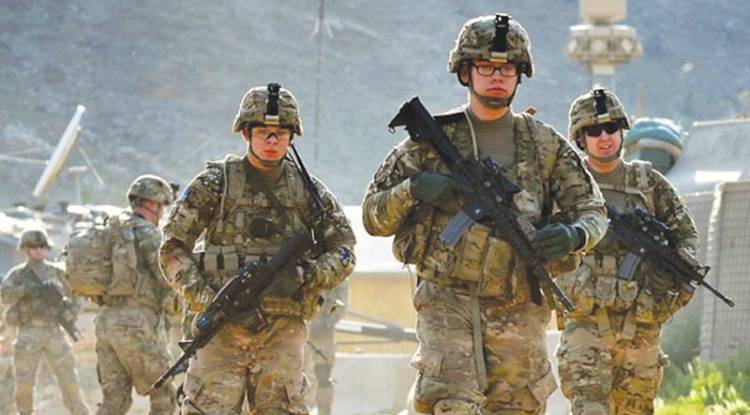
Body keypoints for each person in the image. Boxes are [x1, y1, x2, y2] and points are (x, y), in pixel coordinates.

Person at [362, 13, 608, 415]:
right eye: (486, 67)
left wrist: (575, 235)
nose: (497, 76)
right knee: (450, 403)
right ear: (465, 73)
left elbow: (593, 210)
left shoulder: (545, 145)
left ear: (520, 75)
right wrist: (412, 189)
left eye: (507, 69)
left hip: (519, 302)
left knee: (517, 407)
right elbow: (373, 217)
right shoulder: (429, 143)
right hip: (447, 300)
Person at [159, 83, 356, 414]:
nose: (272, 140)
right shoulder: (215, 184)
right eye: (263, 131)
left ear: (292, 136)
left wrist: (307, 274)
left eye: (281, 132)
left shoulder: (308, 192)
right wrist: (209, 299)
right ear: (246, 133)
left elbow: (345, 250)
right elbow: (172, 249)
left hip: (282, 332)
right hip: (222, 331)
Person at [556, 88, 700, 415]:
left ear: (622, 131)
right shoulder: (565, 186)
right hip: (586, 325)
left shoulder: (648, 183)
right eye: (594, 131)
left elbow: (685, 235)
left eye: (611, 128)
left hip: (641, 326)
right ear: (580, 138)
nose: (604, 137)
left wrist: (676, 264)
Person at [94, 174, 178, 415]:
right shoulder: (149, 234)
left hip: (105, 322)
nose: (162, 212)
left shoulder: (111, 232)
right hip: (135, 323)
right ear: (152, 203)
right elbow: (167, 276)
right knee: (164, 395)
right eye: (162, 206)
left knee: (115, 401)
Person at [1, 229, 90, 415]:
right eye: (34, 247)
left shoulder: (56, 272)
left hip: (54, 331)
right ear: (25, 249)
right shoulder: (18, 274)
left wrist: (70, 313)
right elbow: (5, 295)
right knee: (24, 385)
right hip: (28, 331)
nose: (39, 250)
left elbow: (76, 294)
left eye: (42, 246)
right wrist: (26, 289)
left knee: (69, 381)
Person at [304, 280, 349, 415]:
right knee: (300, 375)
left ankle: (324, 411)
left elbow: (341, 303)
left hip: (325, 333)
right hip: (303, 332)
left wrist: (327, 321)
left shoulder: (337, 276)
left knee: (323, 375)